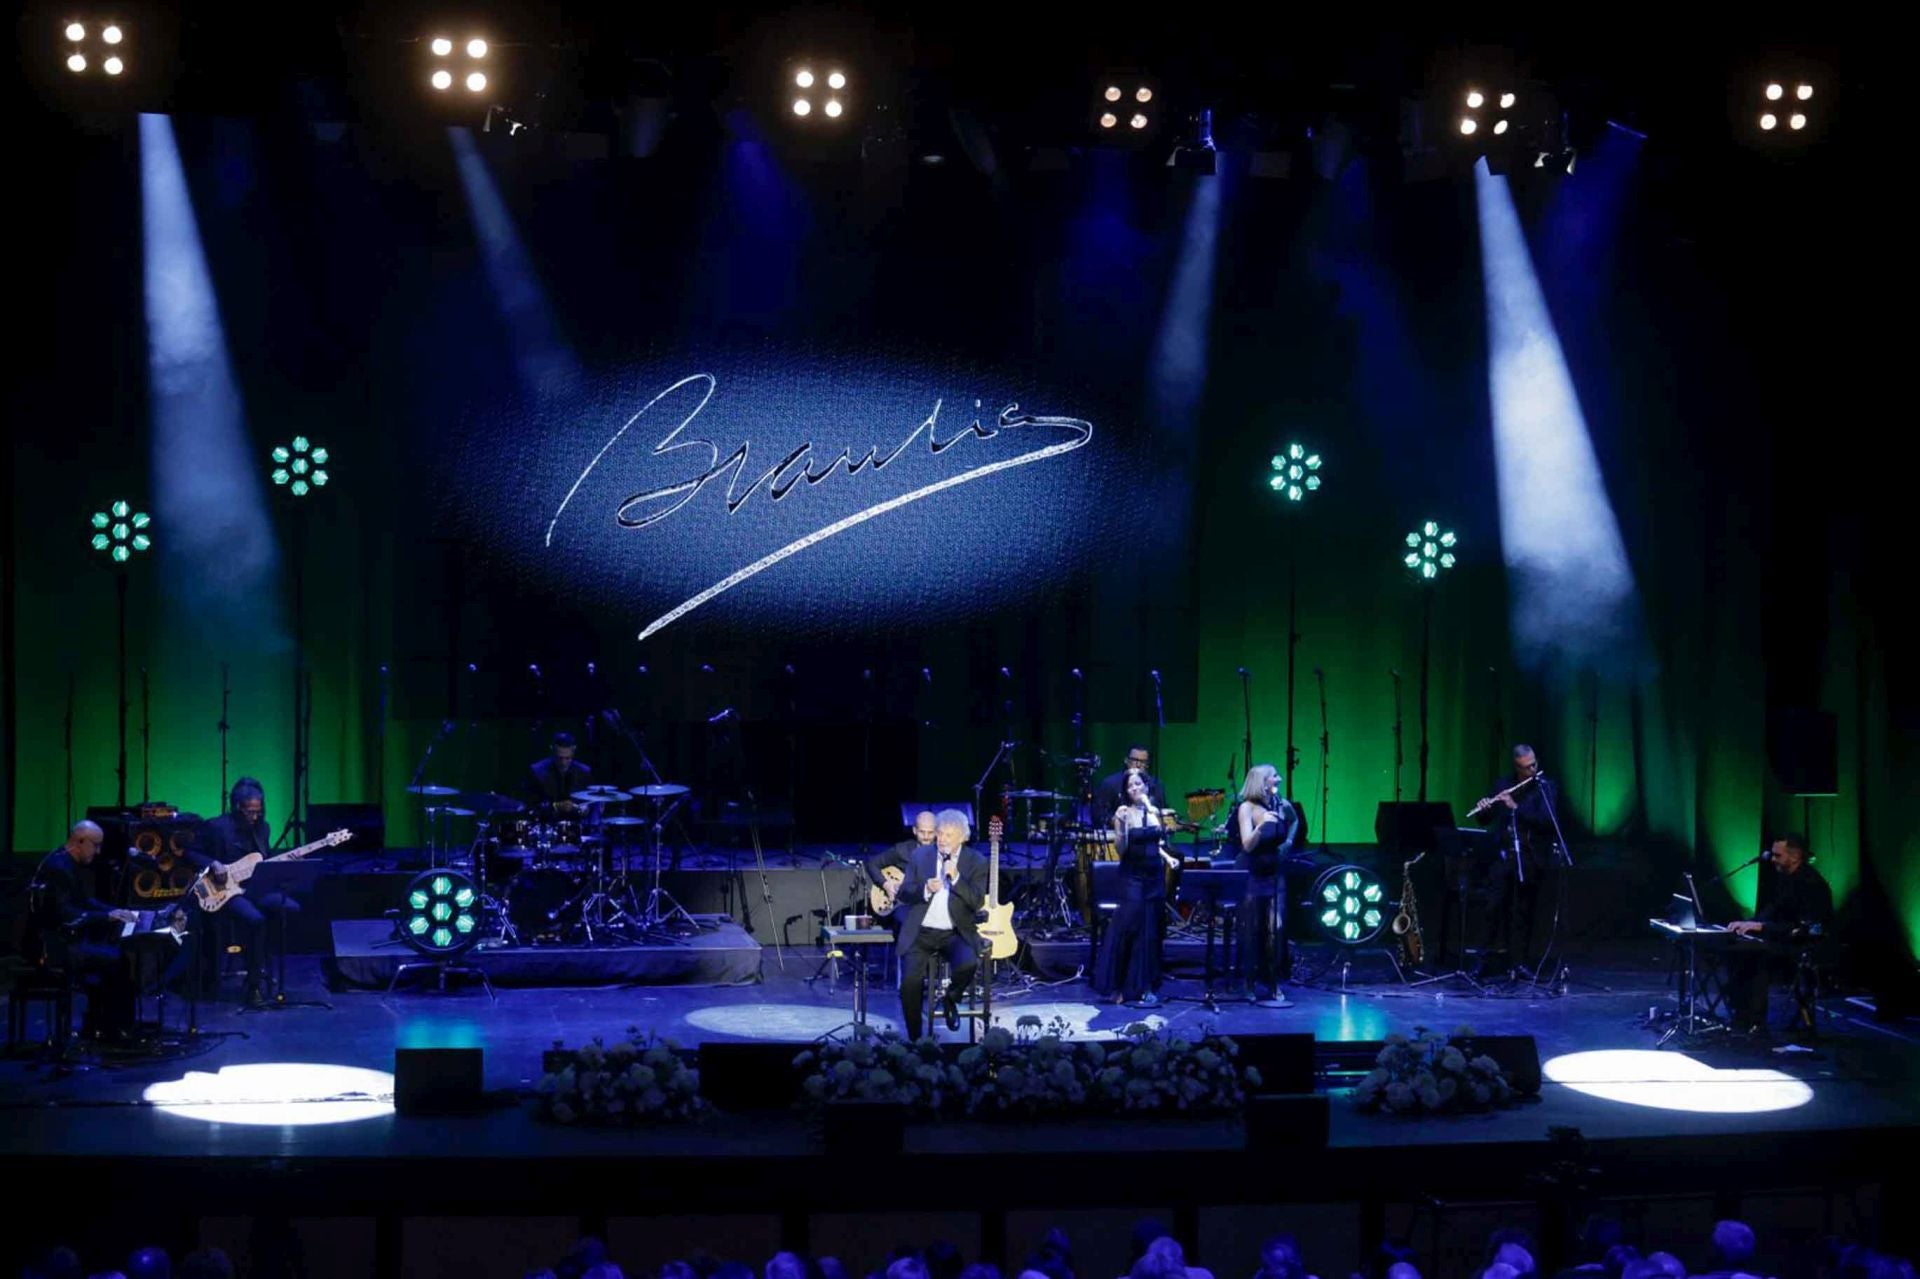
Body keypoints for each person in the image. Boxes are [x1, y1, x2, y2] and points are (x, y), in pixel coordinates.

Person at [866, 809, 989, 1038]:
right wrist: (924, 889)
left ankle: (950, 999)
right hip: (921, 931)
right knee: (909, 985)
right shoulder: (920, 856)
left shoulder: (976, 862)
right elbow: (905, 892)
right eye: (939, 833)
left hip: (955, 932)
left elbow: (976, 901)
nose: (941, 839)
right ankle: (916, 1038)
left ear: (962, 837)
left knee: (968, 964)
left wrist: (958, 878)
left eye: (948, 835)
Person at [188, 777, 302, 1004]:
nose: (254, 816)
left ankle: (259, 966)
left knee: (289, 907)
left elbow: (263, 859)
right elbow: (190, 853)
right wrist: (213, 864)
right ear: (237, 808)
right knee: (255, 920)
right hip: (224, 890)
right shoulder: (215, 827)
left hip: (252, 887)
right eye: (250, 812)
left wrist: (288, 861)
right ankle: (253, 987)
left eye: (258, 812)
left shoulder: (263, 828)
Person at [27, 820, 142, 1037]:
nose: (98, 852)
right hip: (53, 946)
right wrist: (106, 916)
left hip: (61, 939)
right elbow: (65, 913)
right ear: (79, 841)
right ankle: (113, 1029)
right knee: (117, 960)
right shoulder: (58, 868)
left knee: (113, 955)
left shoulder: (66, 863)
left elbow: (85, 900)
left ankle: (100, 1024)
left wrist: (115, 911)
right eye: (95, 845)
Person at [1471, 745, 1565, 978]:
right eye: (1526, 767)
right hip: (1505, 856)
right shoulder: (1503, 785)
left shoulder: (1545, 788)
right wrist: (1484, 808)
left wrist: (1516, 807)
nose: (1532, 770)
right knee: (1493, 908)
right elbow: (1486, 820)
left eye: (1534, 764)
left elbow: (1546, 821)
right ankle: (1482, 961)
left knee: (1522, 912)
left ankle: (1519, 963)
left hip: (1531, 858)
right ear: (1517, 767)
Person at [1725, 835, 1833, 1032]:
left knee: (1758, 956)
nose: (1771, 859)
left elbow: (1805, 927)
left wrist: (1762, 928)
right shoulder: (1784, 879)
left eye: (1777, 855)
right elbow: (1771, 911)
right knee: (1737, 950)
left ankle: (1755, 1021)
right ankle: (1740, 1014)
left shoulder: (1811, 884)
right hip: (1781, 938)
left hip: (1803, 944)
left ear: (1795, 857)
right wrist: (1748, 924)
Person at [1093, 770, 1173, 1006]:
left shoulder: (1153, 811)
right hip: (1132, 875)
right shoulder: (1123, 813)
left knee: (1151, 928)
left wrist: (1149, 807)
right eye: (1130, 786)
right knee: (1129, 925)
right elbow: (1121, 849)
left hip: (1154, 875)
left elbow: (1158, 841)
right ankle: (1118, 984)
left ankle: (1146, 985)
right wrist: (1123, 827)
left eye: (1139, 784)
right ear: (1125, 792)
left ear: (1146, 786)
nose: (1135, 789)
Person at [1232, 764, 1299, 1005]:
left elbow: (1294, 820)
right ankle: (1249, 982)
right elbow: (1247, 845)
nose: (1278, 779)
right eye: (1274, 777)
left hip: (1274, 873)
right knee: (1251, 930)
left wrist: (1288, 841)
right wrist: (1262, 825)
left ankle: (1273, 981)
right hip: (1251, 873)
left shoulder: (1280, 804)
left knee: (1275, 930)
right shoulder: (1246, 808)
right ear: (1262, 782)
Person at [1095, 746, 1167, 825]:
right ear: (1126, 760)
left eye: (1143, 762)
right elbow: (1099, 815)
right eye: (1135, 760)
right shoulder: (1110, 784)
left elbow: (1163, 810)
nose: (1138, 765)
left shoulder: (1156, 785)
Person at [527, 732, 593, 815]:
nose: (563, 763)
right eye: (559, 758)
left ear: (574, 751)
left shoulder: (584, 771)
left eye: (568, 758)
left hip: (577, 823)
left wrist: (586, 808)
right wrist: (556, 806)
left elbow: (590, 802)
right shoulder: (536, 771)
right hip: (547, 822)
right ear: (552, 750)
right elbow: (530, 805)